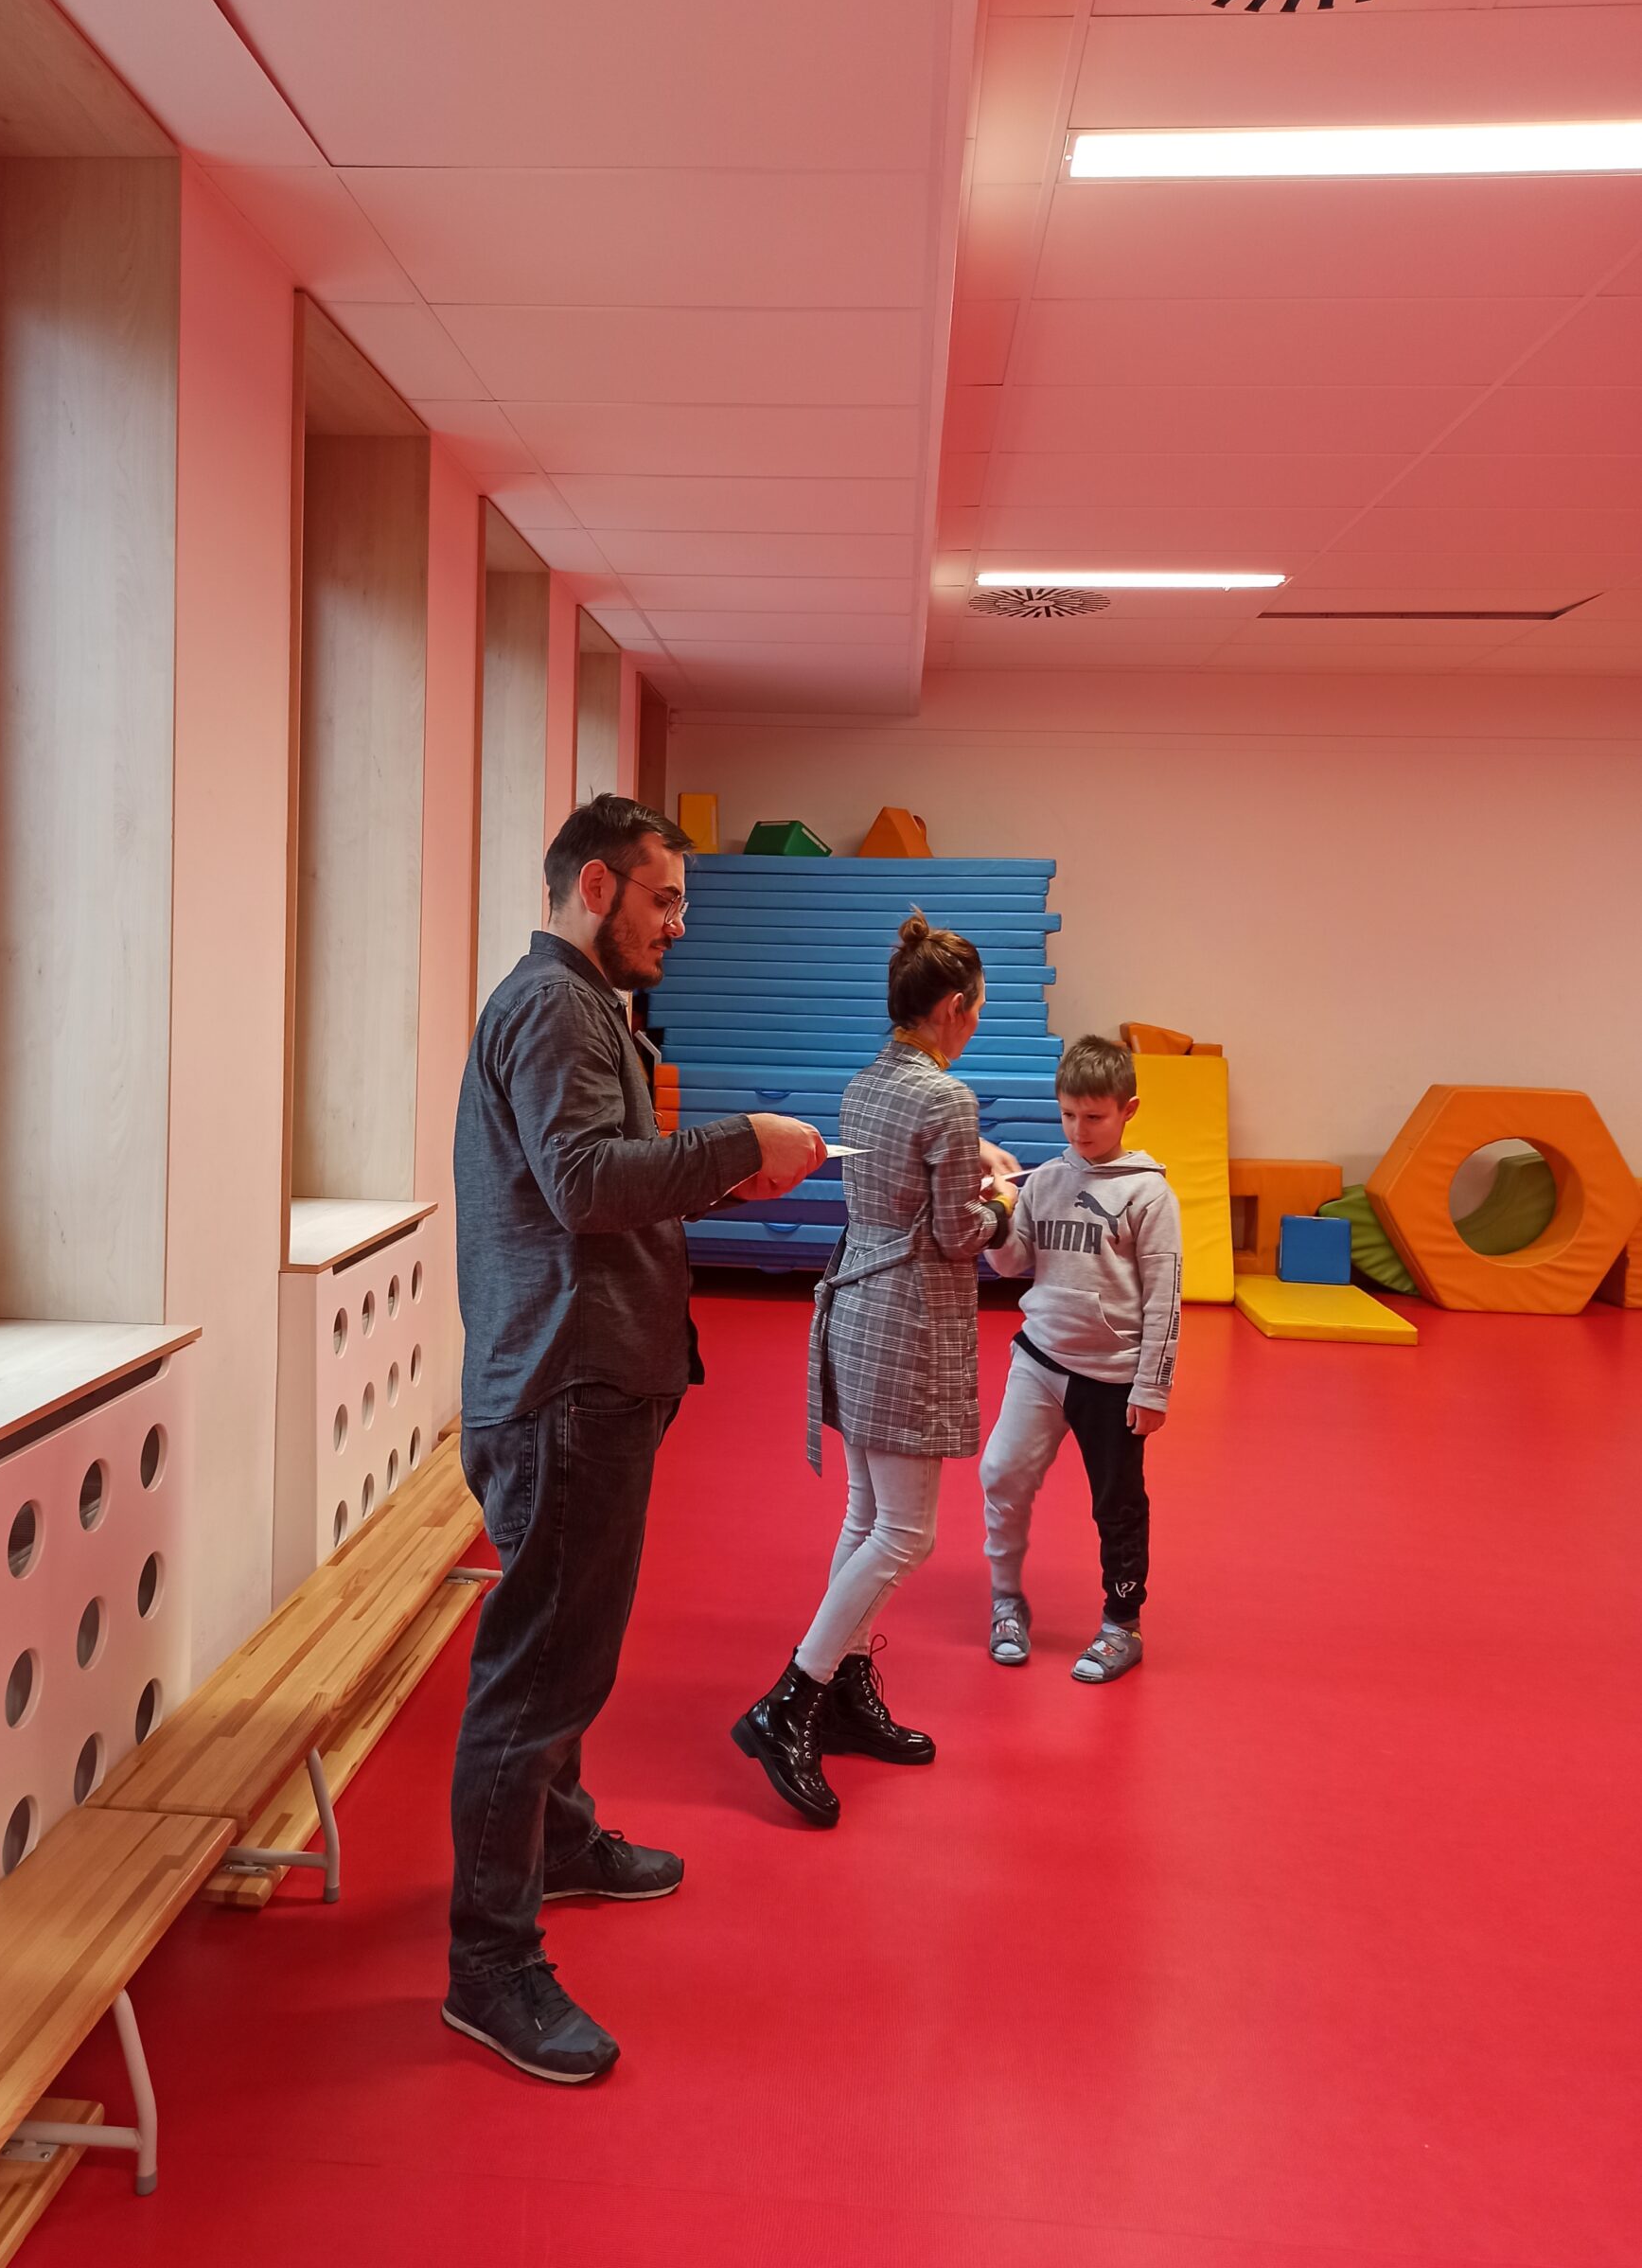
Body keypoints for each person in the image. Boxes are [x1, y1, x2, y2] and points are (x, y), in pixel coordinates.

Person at [444, 794, 824, 2083]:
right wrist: (733, 1145)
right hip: (562, 1389)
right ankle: (488, 1964)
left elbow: (600, 1179)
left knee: (567, 1660)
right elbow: (585, 1185)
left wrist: (719, 1170)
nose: (677, 926)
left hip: (581, 1381)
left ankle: (556, 1840)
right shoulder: (555, 1007)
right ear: (597, 887)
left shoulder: (578, 1004)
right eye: (664, 901)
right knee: (536, 1679)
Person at [732, 914, 1019, 1827]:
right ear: (952, 1007)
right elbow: (954, 1235)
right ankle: (794, 1698)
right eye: (976, 1010)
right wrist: (1003, 1206)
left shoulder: (866, 1084)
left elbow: (903, 1183)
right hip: (908, 1320)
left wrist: (967, 1168)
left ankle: (847, 1690)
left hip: (856, 1303)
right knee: (906, 1532)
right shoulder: (949, 1099)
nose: (976, 1024)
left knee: (866, 1516)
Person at [978, 1034, 1183, 1684]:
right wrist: (995, 1212)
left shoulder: (1149, 1195)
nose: (1079, 1129)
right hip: (1040, 1360)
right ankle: (1006, 1602)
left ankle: (1122, 1625)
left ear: (1128, 1111)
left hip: (1113, 1376)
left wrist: (1153, 1387)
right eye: (1068, 1114)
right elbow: (1010, 1264)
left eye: (1094, 1116)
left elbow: (1165, 1298)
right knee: (1000, 1473)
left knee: (1117, 1503)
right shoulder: (1045, 1181)